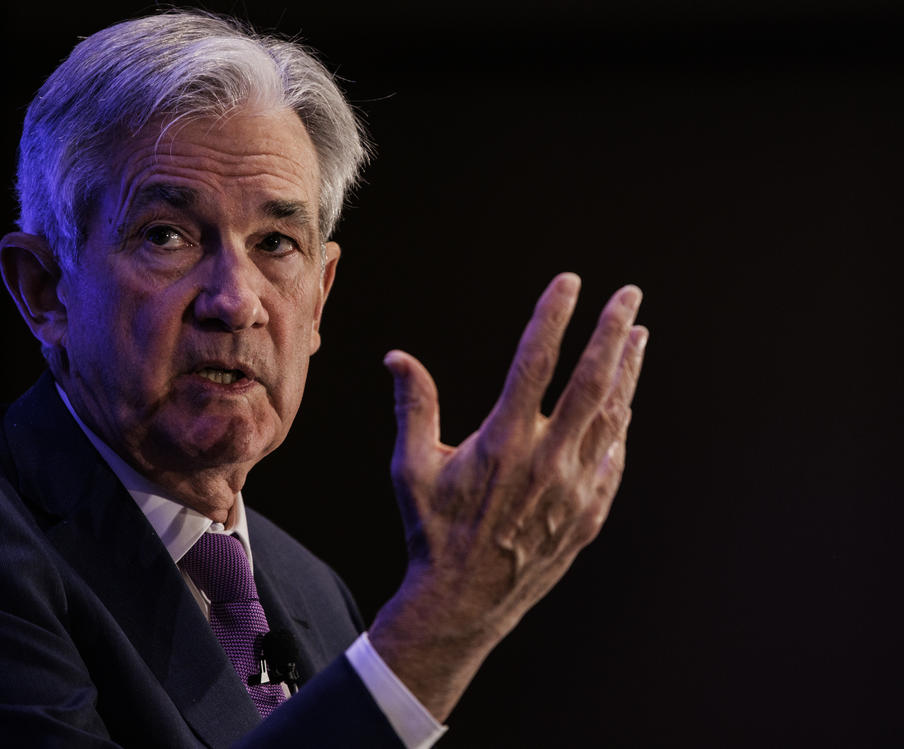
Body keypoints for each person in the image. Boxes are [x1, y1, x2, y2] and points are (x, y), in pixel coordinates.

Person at [0, 10, 647, 747]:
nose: (236, 301)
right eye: (166, 235)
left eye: (276, 243)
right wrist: (438, 628)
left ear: (320, 298)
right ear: (45, 289)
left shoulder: (307, 586)